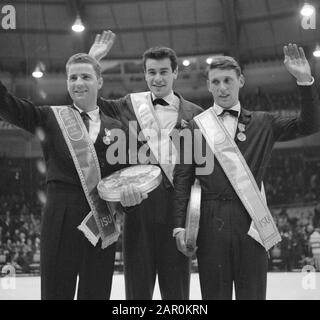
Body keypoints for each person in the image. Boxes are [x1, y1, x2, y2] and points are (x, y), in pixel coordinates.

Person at [172, 44, 320, 300]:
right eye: (215, 82)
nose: (222, 87)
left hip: (251, 223)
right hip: (210, 223)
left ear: (240, 81)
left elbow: (310, 124)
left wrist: (304, 81)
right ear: (208, 85)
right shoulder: (195, 127)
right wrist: (178, 227)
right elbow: (182, 178)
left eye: (228, 80)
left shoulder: (264, 122)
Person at [0, 53, 130, 299]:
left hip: (100, 219)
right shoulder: (50, 116)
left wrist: (128, 198)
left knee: (96, 292)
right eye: (73, 77)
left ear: (99, 82)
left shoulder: (117, 127)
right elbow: (8, 106)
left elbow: (124, 177)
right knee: (55, 292)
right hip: (59, 216)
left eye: (85, 77)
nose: (78, 82)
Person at [90, 31, 203, 299]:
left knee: (177, 297)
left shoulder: (196, 114)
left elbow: (203, 170)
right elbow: (91, 103)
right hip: (136, 211)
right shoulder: (129, 104)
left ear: (176, 73)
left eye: (164, 71)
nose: (157, 78)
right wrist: (93, 60)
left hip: (177, 214)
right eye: (151, 72)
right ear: (144, 75)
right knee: (136, 297)